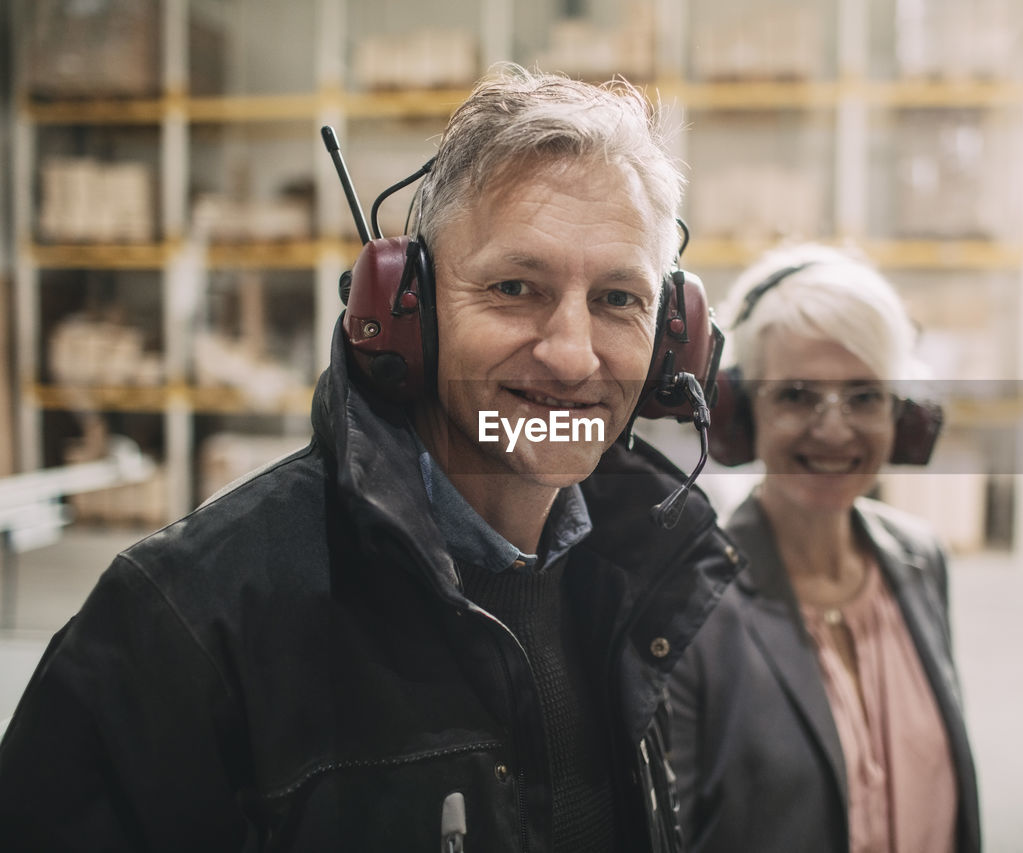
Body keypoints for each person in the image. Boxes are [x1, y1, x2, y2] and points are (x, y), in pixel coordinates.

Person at [0, 65, 742, 852]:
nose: (570, 354)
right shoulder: (183, 623)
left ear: (673, 342)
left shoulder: (641, 587)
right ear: (402, 314)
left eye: (618, 299)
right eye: (515, 286)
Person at [669, 244, 981, 853]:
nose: (834, 430)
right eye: (796, 395)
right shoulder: (690, 598)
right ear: (739, 413)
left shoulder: (921, 560)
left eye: (864, 396)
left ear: (904, 416)